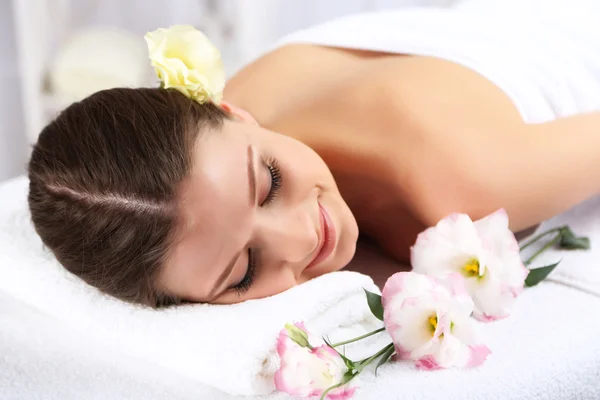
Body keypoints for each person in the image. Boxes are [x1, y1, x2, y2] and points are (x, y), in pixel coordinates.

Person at [27, 1, 600, 308]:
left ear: (231, 112)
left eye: (270, 183)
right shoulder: (229, 134)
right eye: (244, 271)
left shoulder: (462, 177)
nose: (303, 240)